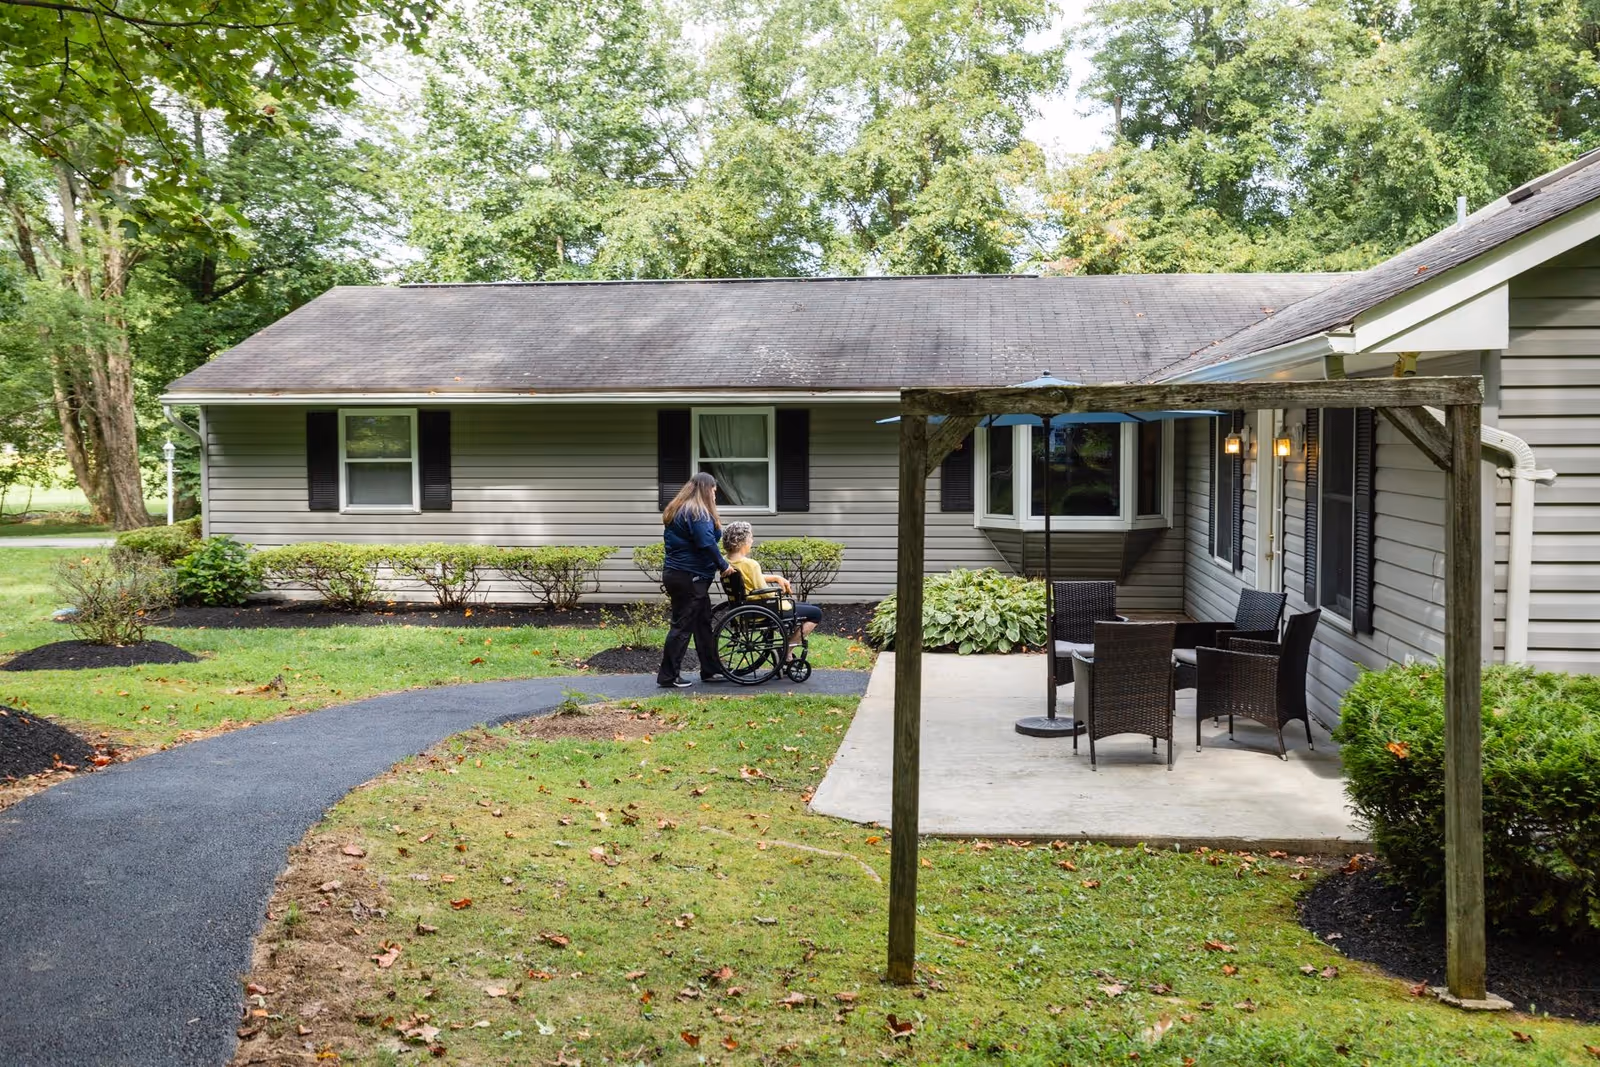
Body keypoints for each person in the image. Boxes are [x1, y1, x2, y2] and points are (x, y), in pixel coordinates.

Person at [657, 472, 734, 687]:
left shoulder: (679, 508)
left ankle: (710, 670)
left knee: (702, 623)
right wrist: (724, 565)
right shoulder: (697, 512)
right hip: (690, 576)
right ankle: (668, 677)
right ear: (706, 489)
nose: (715, 495)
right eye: (714, 491)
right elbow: (706, 542)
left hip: (680, 574)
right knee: (682, 626)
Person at [720, 521, 823, 662]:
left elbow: (746, 580)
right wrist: (780, 593)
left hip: (744, 607)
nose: (752, 541)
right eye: (750, 538)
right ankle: (787, 650)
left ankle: (787, 643)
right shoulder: (751, 564)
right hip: (761, 609)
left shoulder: (726, 562)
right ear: (743, 542)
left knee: (807, 607)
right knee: (815, 613)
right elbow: (765, 593)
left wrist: (775, 577)